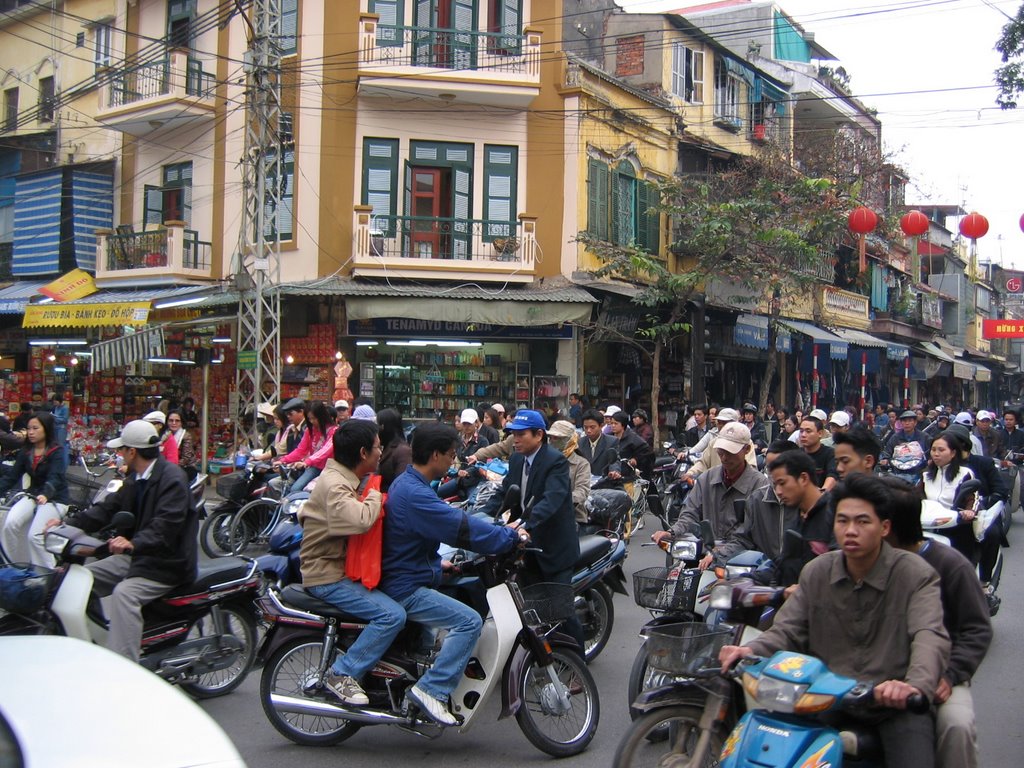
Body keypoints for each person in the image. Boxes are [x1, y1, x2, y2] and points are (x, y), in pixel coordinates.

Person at [719, 473, 951, 768]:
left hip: (893, 706)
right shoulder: (817, 572)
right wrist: (751, 650)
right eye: (843, 521)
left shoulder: (915, 574)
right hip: (825, 698)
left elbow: (929, 635)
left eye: (862, 521)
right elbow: (788, 629)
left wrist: (914, 686)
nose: (851, 530)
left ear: (884, 527)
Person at [383, 422, 521, 725]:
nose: (453, 461)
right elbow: (458, 526)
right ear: (435, 455)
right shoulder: (416, 493)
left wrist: (437, 565)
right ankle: (432, 690)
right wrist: (507, 537)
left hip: (411, 571)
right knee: (469, 622)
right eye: (450, 454)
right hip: (404, 584)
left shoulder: (410, 484)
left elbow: (419, 537)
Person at [47, 420, 197, 661]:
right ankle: (99, 641)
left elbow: (165, 527)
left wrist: (133, 543)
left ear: (132, 451)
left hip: (166, 563)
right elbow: (107, 509)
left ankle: (126, 666)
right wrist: (68, 525)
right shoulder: (135, 479)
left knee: (124, 594)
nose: (118, 454)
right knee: (80, 581)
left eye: (120, 450)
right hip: (137, 558)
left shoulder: (172, 479)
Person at [881, 477, 991, 768]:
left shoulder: (951, 565)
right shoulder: (860, 563)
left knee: (956, 727)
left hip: (940, 672)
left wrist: (951, 674)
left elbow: (977, 629)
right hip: (876, 672)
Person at [298, 419, 406, 706]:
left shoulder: (344, 478)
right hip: (327, 576)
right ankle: (342, 673)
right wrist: (374, 495)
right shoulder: (336, 485)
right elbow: (359, 520)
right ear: (362, 453)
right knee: (392, 615)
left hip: (339, 569)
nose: (380, 452)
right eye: (376, 447)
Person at [475, 410, 582, 644]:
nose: (516, 440)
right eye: (513, 435)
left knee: (560, 609)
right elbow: (505, 492)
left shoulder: (555, 461)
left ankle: (577, 665)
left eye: (522, 435)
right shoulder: (515, 460)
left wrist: (525, 523)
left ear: (539, 435)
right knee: (530, 607)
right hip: (525, 547)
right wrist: (479, 515)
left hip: (554, 547)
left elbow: (551, 500)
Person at [653, 422, 768, 570]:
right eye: (721, 452)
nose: (724, 457)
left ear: (746, 449)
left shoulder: (760, 484)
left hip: (742, 562)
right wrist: (672, 532)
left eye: (730, 452)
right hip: (706, 554)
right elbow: (690, 513)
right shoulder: (706, 479)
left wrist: (721, 553)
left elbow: (748, 532)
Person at [716, 440, 802, 567]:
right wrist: (718, 557)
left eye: (777, 467)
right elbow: (743, 539)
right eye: (769, 467)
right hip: (765, 576)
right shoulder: (756, 500)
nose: (773, 474)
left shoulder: (812, 504)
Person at [0, 412, 69, 567]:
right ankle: (17, 567)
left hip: (55, 499)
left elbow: (55, 477)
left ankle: (47, 575)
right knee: (10, 524)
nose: (30, 432)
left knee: (35, 535)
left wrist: (46, 494)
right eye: (29, 428)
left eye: (35, 428)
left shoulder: (57, 451)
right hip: (33, 495)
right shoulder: (26, 452)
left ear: (46, 429)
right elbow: (11, 477)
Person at [763, 450, 835, 586]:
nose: (778, 491)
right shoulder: (796, 521)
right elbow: (781, 566)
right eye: (775, 485)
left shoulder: (836, 515)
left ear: (803, 478)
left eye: (782, 483)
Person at [275, 400, 337, 494]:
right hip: (314, 467)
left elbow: (325, 451)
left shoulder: (334, 431)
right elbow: (300, 450)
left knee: (297, 489)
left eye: (314, 418)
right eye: (309, 419)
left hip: (329, 469)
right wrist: (283, 460)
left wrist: (307, 462)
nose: (312, 421)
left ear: (322, 416)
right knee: (294, 489)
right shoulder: (309, 430)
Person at [685, 408, 757, 478]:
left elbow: (751, 467)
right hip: (714, 484)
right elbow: (703, 463)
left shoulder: (745, 442)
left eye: (725, 423)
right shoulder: (713, 442)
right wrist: (690, 473)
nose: (721, 426)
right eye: (719, 422)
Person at [436, 409, 489, 501]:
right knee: (436, 493)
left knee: (473, 502)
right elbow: (453, 458)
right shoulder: (458, 439)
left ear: (476, 423)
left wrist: (467, 472)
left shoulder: (482, 441)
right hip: (458, 479)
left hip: (475, 480)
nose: (466, 427)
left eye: (469, 424)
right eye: (464, 424)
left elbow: (482, 463)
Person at [547, 419, 591, 524]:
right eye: (550, 438)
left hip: (572, 517)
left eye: (557, 438)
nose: (552, 441)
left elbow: (582, 492)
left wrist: (557, 499)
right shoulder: (544, 460)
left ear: (570, 440)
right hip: (544, 514)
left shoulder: (581, 464)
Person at [608, 411, 655, 481]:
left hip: (628, 476)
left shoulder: (633, 438)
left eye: (616, 423)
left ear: (623, 425)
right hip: (610, 474)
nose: (613, 426)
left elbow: (647, 452)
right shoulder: (608, 437)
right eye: (611, 423)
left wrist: (636, 459)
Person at [798, 416, 839, 491]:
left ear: (820, 433)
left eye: (808, 431)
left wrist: (822, 493)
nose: (803, 435)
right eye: (801, 431)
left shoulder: (830, 454)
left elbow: (832, 475)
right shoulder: (796, 454)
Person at [577, 408, 620, 478]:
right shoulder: (580, 443)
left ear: (601, 426)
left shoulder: (611, 441)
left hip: (604, 483)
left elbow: (614, 461)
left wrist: (614, 472)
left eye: (592, 427)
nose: (588, 430)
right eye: (585, 427)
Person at [377, 408, 411, 492]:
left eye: (377, 425)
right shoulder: (384, 447)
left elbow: (402, 485)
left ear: (384, 427)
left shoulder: (403, 451)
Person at [166, 409, 198, 481]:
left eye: (177, 421)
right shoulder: (164, 435)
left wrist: (170, 467)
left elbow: (186, 458)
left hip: (186, 466)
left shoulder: (186, 436)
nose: (174, 423)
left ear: (181, 423)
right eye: (171, 420)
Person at [50, 393, 69, 465]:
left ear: (59, 401)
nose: (54, 403)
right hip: (55, 427)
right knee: (56, 445)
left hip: (61, 428)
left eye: (55, 402)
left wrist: (54, 417)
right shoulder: (56, 408)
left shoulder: (65, 408)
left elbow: (64, 420)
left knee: (61, 445)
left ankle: (63, 462)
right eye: (53, 402)